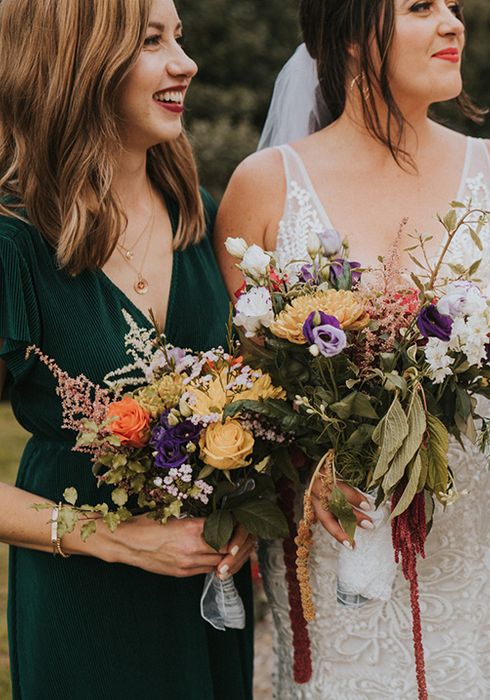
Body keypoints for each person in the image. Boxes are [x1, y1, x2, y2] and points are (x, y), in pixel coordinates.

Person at [214, 0, 490, 697]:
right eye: (422, 7)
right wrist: (320, 458)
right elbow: (251, 386)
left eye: (453, 7)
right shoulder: (267, 185)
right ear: (354, 36)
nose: (453, 23)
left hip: (480, 523)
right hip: (341, 524)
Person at [0, 0, 255, 697]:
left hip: (211, 587)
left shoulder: (197, 213)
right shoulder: (13, 239)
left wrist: (252, 509)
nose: (186, 62)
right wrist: (113, 537)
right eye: (152, 41)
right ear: (79, 65)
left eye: (181, 37)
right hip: (84, 596)